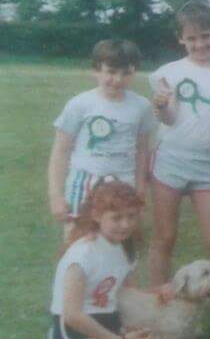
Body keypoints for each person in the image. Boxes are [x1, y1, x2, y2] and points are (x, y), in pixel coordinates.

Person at [147, 1, 210, 332]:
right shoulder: (168, 72)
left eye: (205, 36)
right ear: (181, 39)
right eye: (191, 38)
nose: (200, 44)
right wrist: (161, 108)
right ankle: (156, 308)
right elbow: (167, 117)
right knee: (165, 237)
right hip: (171, 159)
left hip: (207, 162)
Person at [43, 182, 188, 339]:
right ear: (97, 216)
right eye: (116, 218)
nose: (125, 224)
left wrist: (158, 292)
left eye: (131, 216)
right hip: (76, 338)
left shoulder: (124, 248)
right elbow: (72, 315)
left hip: (112, 327)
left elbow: (121, 291)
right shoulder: (82, 255)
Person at [48, 39, 155, 240]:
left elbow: (142, 152)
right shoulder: (79, 104)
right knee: (78, 241)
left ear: (134, 72)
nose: (118, 79)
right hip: (84, 182)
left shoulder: (142, 106)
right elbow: (61, 151)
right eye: (111, 72)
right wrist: (56, 195)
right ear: (96, 70)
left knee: (121, 243)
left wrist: (140, 188)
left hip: (123, 182)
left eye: (126, 73)